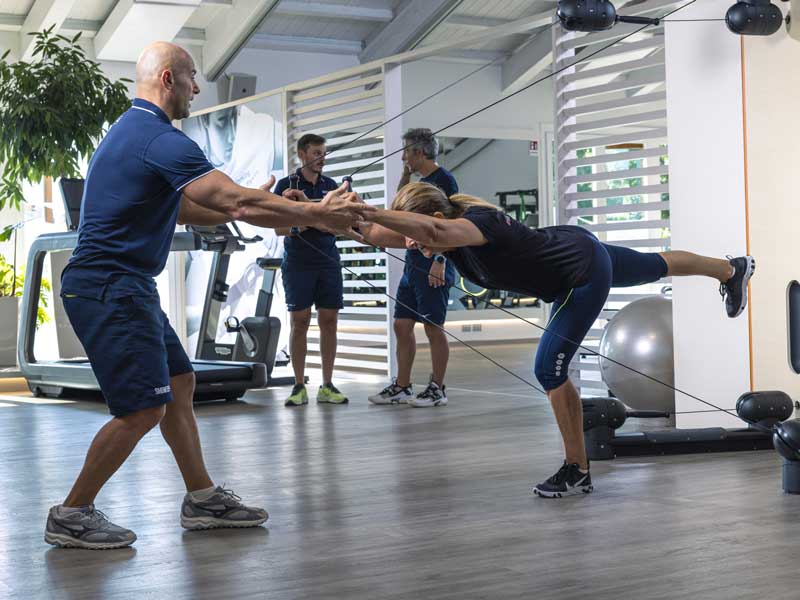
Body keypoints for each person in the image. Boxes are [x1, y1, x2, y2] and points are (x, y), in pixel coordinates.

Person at [46, 42, 372, 550]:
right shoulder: (158, 137)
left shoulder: (133, 132)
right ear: (169, 79)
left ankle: (201, 498)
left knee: (180, 382)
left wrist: (270, 205)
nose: (197, 88)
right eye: (193, 77)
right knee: (142, 410)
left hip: (125, 284)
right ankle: (71, 513)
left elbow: (188, 208)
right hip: (110, 285)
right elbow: (233, 200)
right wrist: (314, 213)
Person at [356, 182, 755, 497]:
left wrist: (372, 212)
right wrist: (328, 214)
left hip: (579, 274)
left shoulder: (475, 224)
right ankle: (730, 269)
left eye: (412, 234)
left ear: (437, 217)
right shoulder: (442, 234)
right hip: (575, 247)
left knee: (548, 369)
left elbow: (430, 231)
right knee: (655, 264)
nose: (411, 245)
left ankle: (576, 470)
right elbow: (373, 232)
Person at [369, 129, 458, 408]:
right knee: (401, 325)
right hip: (413, 264)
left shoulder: (443, 181)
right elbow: (397, 213)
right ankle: (402, 386)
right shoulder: (420, 182)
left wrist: (440, 261)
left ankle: (437, 389)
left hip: (433, 263)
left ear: (419, 152)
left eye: (406, 151)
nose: (403, 157)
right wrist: (405, 176)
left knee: (433, 327)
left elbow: (450, 225)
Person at [273, 134, 348, 407]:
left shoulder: (331, 187)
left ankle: (327, 385)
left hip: (328, 261)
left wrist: (313, 221)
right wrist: (312, 223)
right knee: (300, 323)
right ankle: (298, 386)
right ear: (302, 154)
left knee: (329, 321)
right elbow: (278, 227)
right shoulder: (286, 185)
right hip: (298, 263)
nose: (322, 158)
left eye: (324, 153)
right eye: (317, 153)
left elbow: (341, 227)